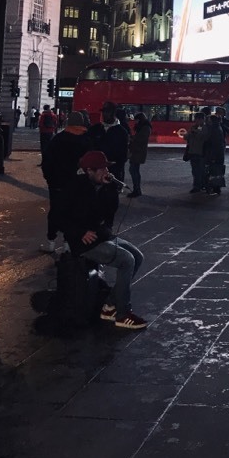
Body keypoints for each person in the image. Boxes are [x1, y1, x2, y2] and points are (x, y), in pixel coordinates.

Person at [63, 150, 146, 330]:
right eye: (100, 169)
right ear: (88, 171)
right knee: (127, 261)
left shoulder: (103, 187)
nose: (105, 173)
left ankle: (109, 306)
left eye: (106, 169)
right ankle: (123, 313)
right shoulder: (75, 187)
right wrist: (80, 233)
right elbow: (60, 216)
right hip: (84, 242)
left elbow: (109, 214)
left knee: (138, 256)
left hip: (102, 236)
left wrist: (110, 189)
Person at [40, 111, 91, 253]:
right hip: (78, 184)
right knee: (73, 213)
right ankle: (68, 244)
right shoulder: (86, 140)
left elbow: (47, 161)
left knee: (56, 211)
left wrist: (49, 178)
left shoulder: (58, 139)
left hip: (58, 183)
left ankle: (50, 241)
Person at [87, 101, 129, 182]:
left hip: (113, 172)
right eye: (104, 112)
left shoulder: (121, 131)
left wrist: (116, 171)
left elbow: (123, 155)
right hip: (95, 171)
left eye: (108, 112)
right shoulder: (95, 129)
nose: (105, 114)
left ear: (113, 113)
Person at [128, 113, 151, 198]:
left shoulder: (145, 128)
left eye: (137, 120)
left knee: (134, 170)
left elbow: (140, 139)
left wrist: (132, 138)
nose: (136, 122)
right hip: (137, 152)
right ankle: (136, 189)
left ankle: (136, 190)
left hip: (138, 152)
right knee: (134, 170)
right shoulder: (144, 127)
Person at [185, 112, 209, 193]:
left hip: (201, 152)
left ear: (202, 119)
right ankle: (198, 185)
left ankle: (201, 185)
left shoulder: (205, 127)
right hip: (192, 151)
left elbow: (204, 137)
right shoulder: (193, 127)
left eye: (199, 119)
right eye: (196, 119)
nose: (197, 121)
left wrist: (195, 131)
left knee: (201, 170)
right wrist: (189, 134)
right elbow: (186, 136)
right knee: (195, 170)